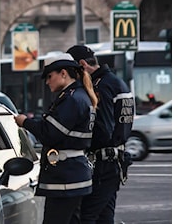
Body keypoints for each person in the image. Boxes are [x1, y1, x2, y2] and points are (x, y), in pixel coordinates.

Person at [14, 52, 98, 224]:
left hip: (65, 178)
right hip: (73, 176)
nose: (47, 82)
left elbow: (50, 134)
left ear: (63, 74)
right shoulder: (79, 96)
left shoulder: (71, 99)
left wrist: (25, 122)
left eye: (49, 76)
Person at [67, 45, 134, 224]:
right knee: (104, 216)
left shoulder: (100, 86)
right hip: (115, 161)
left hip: (103, 163)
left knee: (87, 216)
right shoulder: (117, 82)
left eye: (73, 72)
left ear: (82, 65)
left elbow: (102, 129)